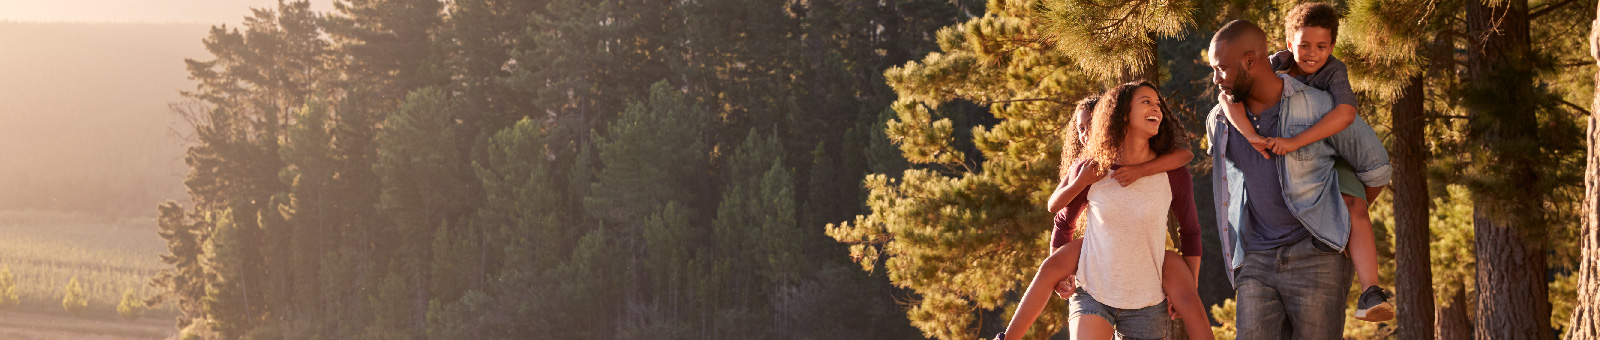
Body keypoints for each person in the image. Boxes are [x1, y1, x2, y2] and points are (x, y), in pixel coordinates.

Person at [1206, 19, 1392, 339]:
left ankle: (1371, 289)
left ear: (1250, 61)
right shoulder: (1219, 121)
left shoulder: (1320, 105)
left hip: (1317, 256)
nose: (1215, 78)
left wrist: (1342, 217)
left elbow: (1376, 168)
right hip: (1256, 260)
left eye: (1221, 68)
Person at [993, 82, 1208, 340]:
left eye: (1158, 104)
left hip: (1147, 299)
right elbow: (1062, 221)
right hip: (1094, 291)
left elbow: (1191, 231)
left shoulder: (1173, 173)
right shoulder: (1091, 169)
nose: (1157, 108)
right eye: (1146, 102)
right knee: (1050, 268)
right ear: (1122, 113)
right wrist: (1065, 277)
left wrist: (1188, 289)